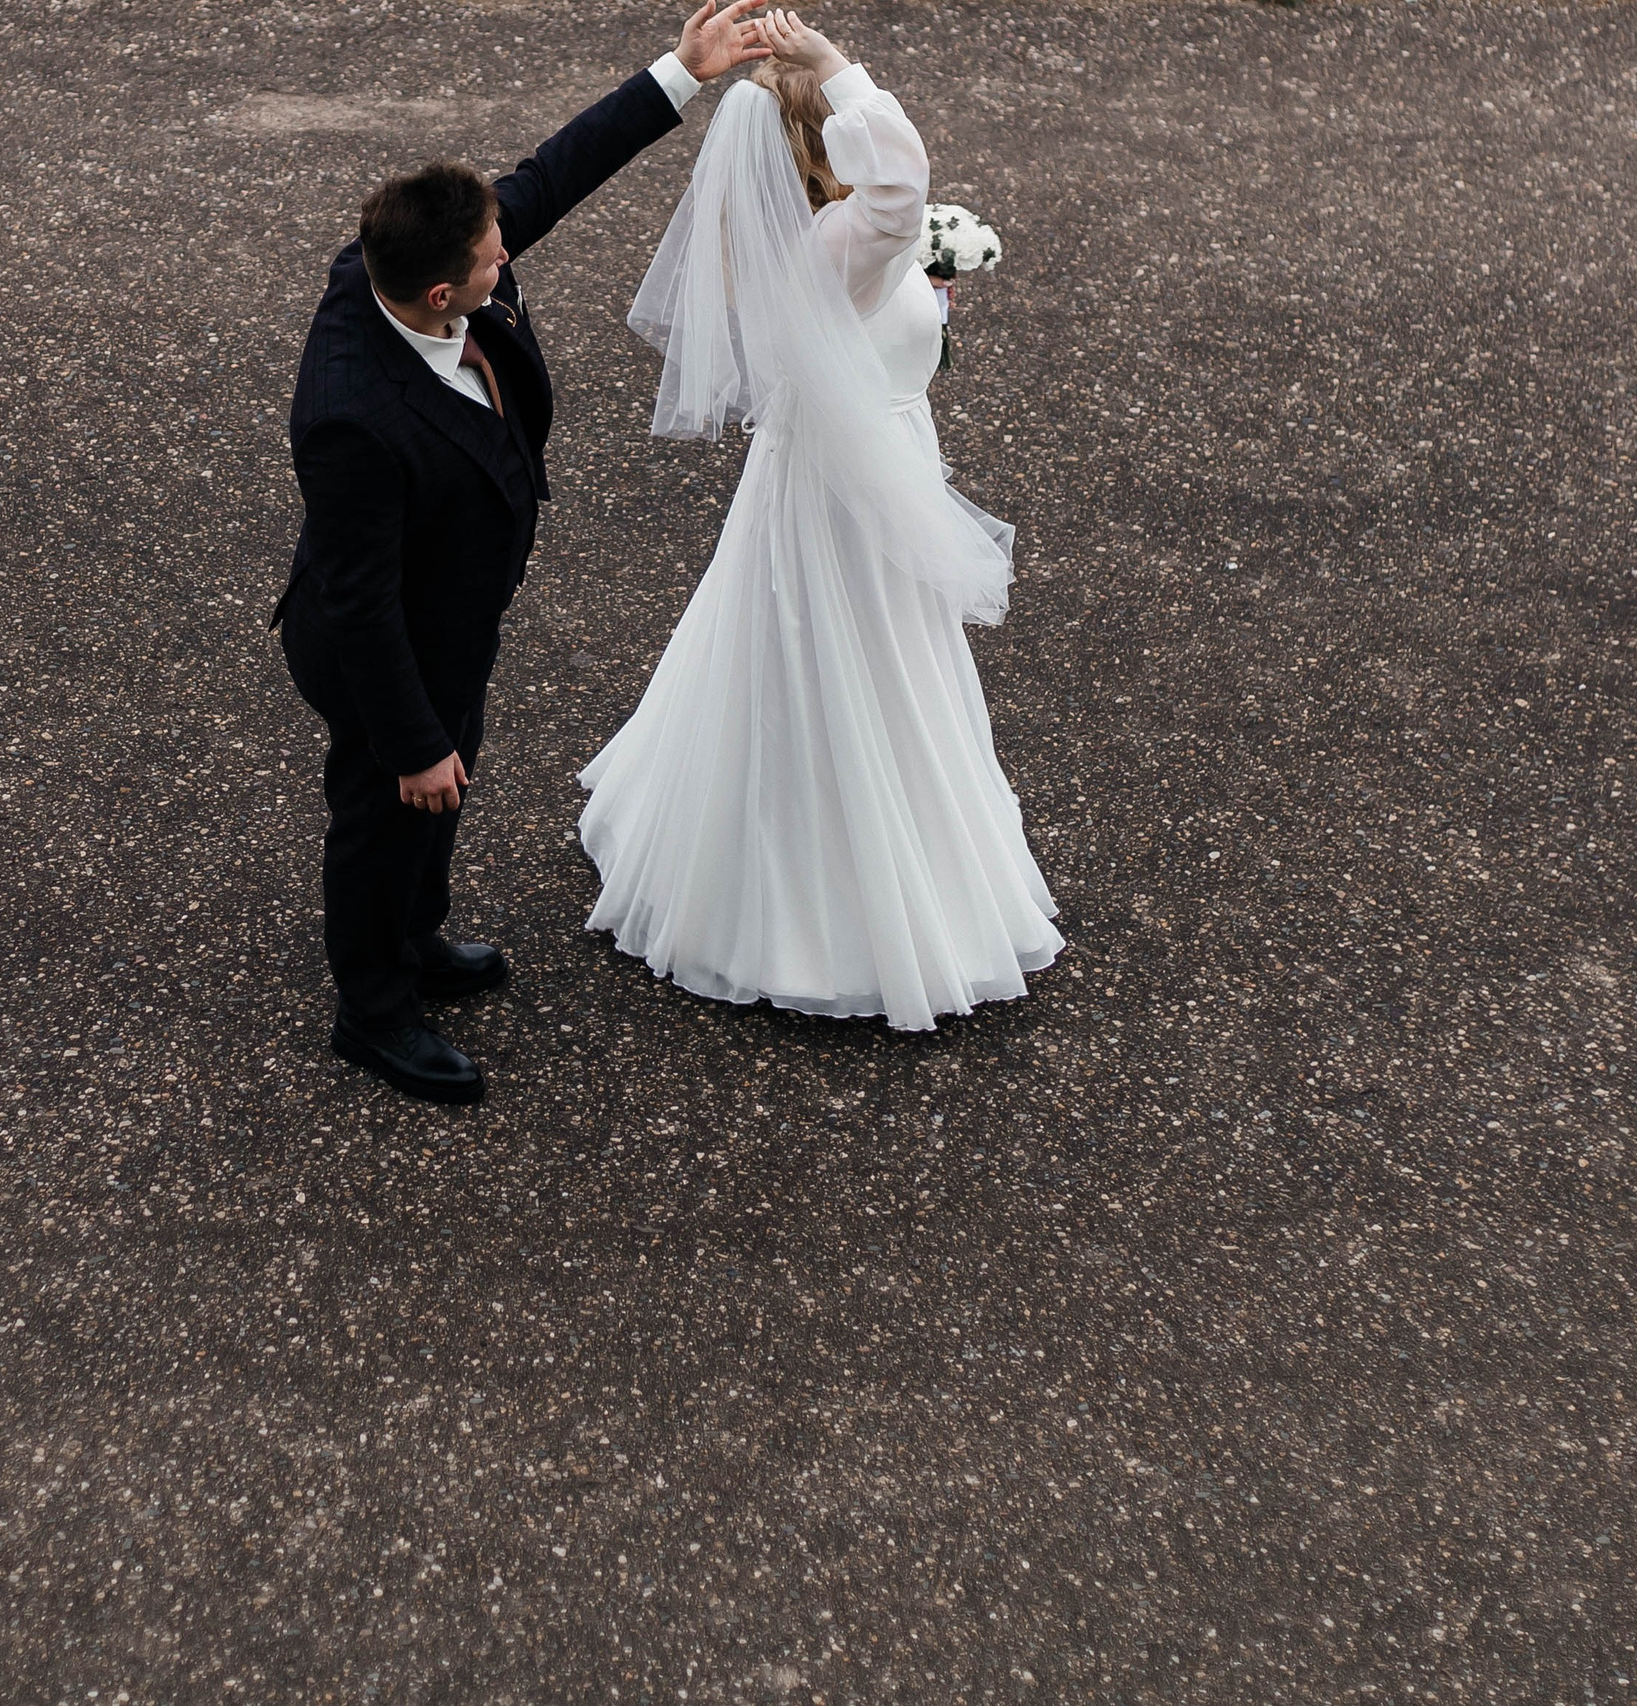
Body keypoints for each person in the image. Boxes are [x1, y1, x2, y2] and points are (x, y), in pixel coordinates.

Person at [273, 2, 774, 1104]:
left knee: (449, 785)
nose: (512, 245)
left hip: (452, 611)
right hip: (382, 651)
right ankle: (373, 1006)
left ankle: (419, 935)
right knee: (388, 806)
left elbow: (552, 173)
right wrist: (409, 742)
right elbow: (358, 600)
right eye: (494, 253)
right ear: (442, 293)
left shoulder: (418, 262)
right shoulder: (350, 415)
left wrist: (681, 76)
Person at [577, 11, 1064, 1031]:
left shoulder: (797, 249)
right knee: (868, 666)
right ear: (821, 142)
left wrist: (924, 300)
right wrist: (840, 69)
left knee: (784, 658)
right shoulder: (845, 238)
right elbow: (899, 185)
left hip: (811, 481)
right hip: (856, 500)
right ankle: (846, 912)